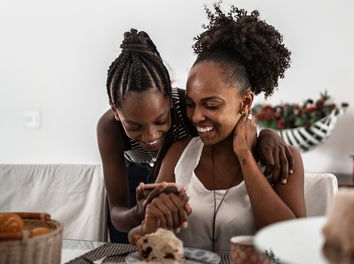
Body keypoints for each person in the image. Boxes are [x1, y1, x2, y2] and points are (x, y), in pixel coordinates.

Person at [129, 4, 306, 251]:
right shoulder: (180, 154)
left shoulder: (280, 160)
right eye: (191, 104)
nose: (197, 116)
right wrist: (150, 224)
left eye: (211, 105)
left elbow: (294, 243)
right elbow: (139, 239)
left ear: (245, 102)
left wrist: (245, 155)